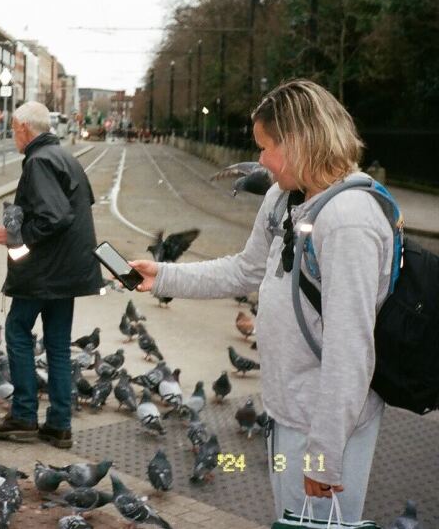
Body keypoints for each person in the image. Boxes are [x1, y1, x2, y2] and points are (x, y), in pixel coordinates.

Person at [129, 79, 392, 522]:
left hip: (326, 423)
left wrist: (325, 456)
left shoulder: (349, 222)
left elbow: (351, 350)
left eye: (267, 148)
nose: (262, 162)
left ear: (302, 143)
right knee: (289, 518)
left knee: (319, 523)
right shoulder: (285, 197)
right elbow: (244, 269)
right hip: (287, 409)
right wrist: (164, 276)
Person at [0, 101, 103, 449]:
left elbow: (54, 216)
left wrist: (14, 236)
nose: (12, 136)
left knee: (17, 330)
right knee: (57, 345)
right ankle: (59, 424)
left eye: (13, 129)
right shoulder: (64, 156)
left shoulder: (38, 161)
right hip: (69, 271)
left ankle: (23, 415)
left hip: (45, 271)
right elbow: (78, 207)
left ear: (23, 127)